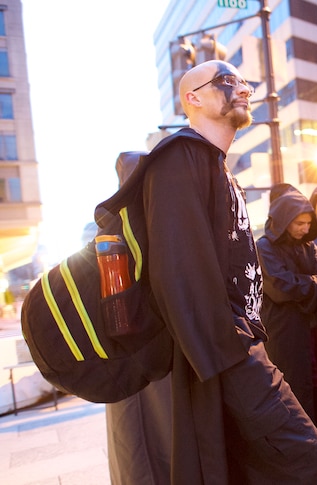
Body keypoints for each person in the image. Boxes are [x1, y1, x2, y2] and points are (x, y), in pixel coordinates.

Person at [139, 60, 317, 483]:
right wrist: (231, 355)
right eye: (228, 81)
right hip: (228, 354)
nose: (244, 89)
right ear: (192, 99)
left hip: (238, 348)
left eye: (244, 81)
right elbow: (179, 271)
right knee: (314, 459)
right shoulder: (178, 159)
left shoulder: (216, 166)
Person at [105, 151, 172, 485]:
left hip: (141, 351)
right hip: (145, 349)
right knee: (146, 436)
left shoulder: (110, 226)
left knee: (146, 439)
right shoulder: (125, 228)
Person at [257, 183, 317, 441]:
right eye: (298, 223)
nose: (303, 228)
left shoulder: (308, 246)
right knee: (292, 390)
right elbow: (280, 287)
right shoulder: (264, 247)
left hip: (311, 332)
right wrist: (310, 283)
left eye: (306, 223)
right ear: (284, 220)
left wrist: (306, 284)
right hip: (284, 332)